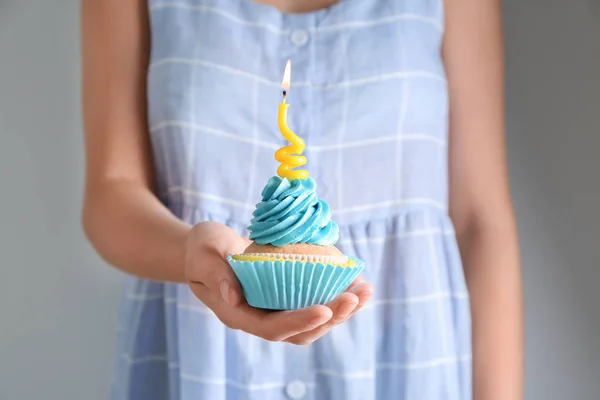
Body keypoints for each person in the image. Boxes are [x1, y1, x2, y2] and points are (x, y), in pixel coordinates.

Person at [81, 0, 522, 399]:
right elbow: (111, 193)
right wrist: (189, 252)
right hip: (201, 359)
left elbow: (480, 221)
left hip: (404, 358)